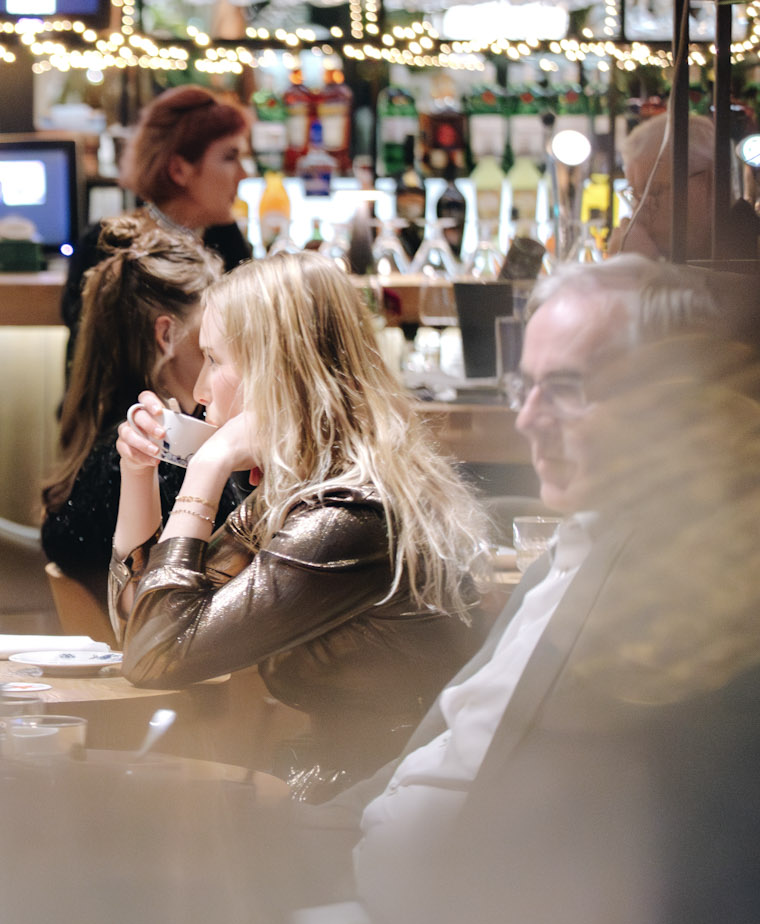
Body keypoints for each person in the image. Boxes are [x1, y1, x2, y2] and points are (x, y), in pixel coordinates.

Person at [343, 255, 760, 924]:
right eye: (525, 386)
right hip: (368, 878)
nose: (529, 418)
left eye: (567, 388)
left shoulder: (671, 591)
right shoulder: (567, 552)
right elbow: (438, 755)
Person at [112, 253, 487, 801]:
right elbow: (141, 632)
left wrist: (208, 467)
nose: (199, 390)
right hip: (344, 785)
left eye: (214, 360)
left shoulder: (349, 514)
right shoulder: (303, 491)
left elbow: (155, 655)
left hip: (387, 802)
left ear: (276, 374)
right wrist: (138, 475)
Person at [39, 213, 225, 594]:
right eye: (211, 346)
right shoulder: (160, 462)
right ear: (166, 335)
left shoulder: (100, 452)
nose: (223, 351)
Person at [63, 85, 252, 366]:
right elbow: (95, 369)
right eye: (230, 157)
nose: (243, 174)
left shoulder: (224, 237)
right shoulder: (109, 245)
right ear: (178, 170)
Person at [614, 109, 760, 261]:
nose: (639, 215)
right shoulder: (690, 251)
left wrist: (634, 268)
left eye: (654, 193)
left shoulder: (755, 253)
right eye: (636, 197)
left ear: (709, 183)